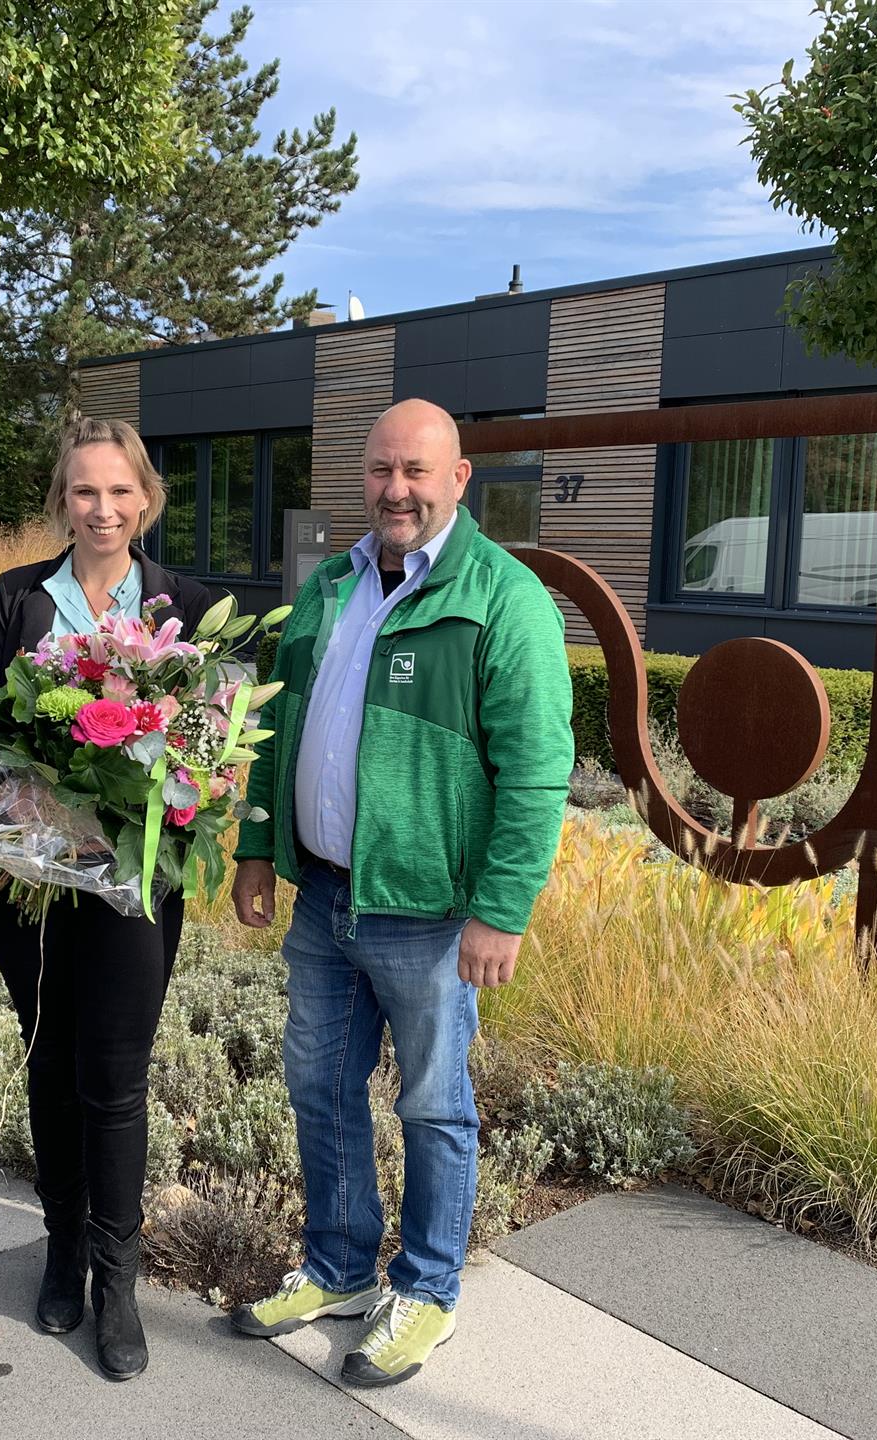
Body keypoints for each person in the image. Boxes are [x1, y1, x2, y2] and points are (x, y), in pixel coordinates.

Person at [227, 398, 573, 1387]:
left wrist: (502, 908)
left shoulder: (502, 600)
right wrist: (259, 845)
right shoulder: (332, 587)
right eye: (382, 470)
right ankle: (338, 1269)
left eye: (418, 472)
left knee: (433, 1105)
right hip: (324, 899)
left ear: (460, 480)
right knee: (320, 1091)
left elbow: (540, 770)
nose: (397, 490)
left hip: (426, 915)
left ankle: (424, 1291)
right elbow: (273, 727)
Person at [0, 416, 215, 1381]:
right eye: (83, 491)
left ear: (145, 499)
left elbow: (204, 753)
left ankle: (118, 1279)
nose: (102, 509)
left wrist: (175, 779)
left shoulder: (186, 606)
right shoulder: (20, 598)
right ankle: (61, 1245)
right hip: (27, 883)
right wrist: (21, 784)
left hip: (130, 889)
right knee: (47, 1057)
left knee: (112, 1077)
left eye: (119, 492)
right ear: (61, 500)